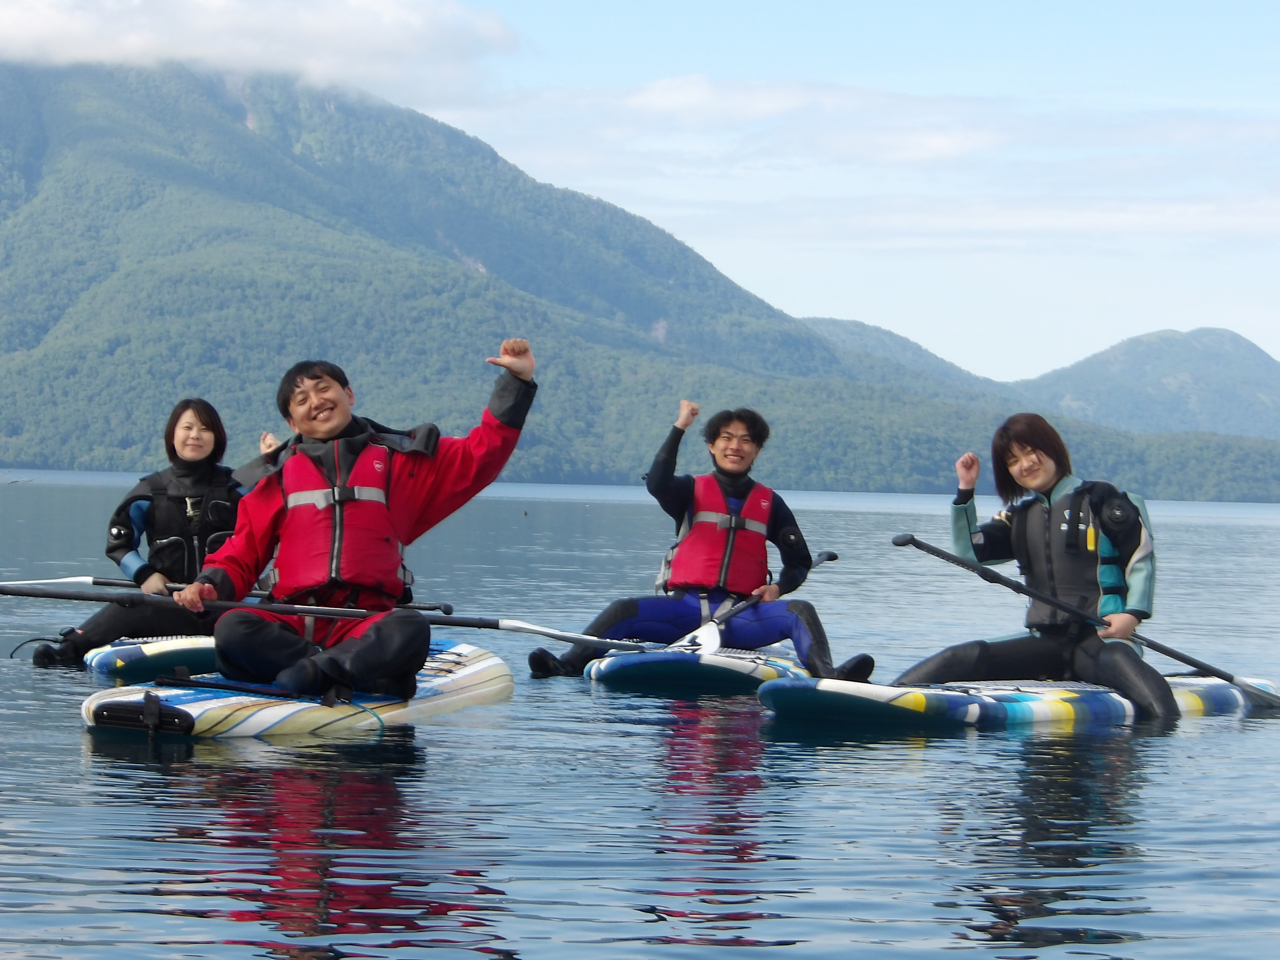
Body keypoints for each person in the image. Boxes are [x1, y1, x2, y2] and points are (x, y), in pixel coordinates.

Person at [174, 340, 536, 699]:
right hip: (292, 621)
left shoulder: (403, 460)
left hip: (366, 623)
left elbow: (481, 455)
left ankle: (314, 672)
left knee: (409, 627)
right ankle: (338, 670)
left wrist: (516, 384)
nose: (316, 402)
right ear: (291, 421)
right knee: (233, 627)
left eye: (324, 388)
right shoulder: (275, 479)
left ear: (349, 394)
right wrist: (208, 584)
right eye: (301, 400)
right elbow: (240, 554)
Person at [528, 400, 871, 680]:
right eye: (726, 437)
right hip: (682, 611)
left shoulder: (771, 503)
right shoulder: (688, 491)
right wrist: (680, 427)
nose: (735, 446)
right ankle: (568, 664)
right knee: (622, 610)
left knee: (800, 611)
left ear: (757, 451)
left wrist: (778, 589)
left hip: (742, 617)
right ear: (711, 445)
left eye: (746, 440)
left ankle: (828, 675)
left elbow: (798, 562)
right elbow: (657, 482)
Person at [892, 412, 1178, 720]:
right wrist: (965, 491)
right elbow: (968, 553)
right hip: (1046, 645)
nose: (1025, 464)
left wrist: (1131, 615)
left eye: (1030, 452)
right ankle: (886, 696)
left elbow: (1140, 556)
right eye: (1013, 461)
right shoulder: (1019, 517)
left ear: (1052, 448)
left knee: (1146, 689)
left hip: (1102, 641)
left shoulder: (1101, 497)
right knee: (961, 656)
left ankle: (1166, 732)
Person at [31, 399, 269, 667]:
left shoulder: (239, 486)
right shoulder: (149, 490)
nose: (195, 435)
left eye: (204, 429)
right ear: (172, 435)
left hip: (228, 604)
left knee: (267, 614)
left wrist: (270, 468)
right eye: (187, 427)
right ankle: (70, 648)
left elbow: (272, 519)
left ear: (217, 438)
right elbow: (118, 544)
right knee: (129, 604)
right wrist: (144, 574)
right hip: (169, 603)